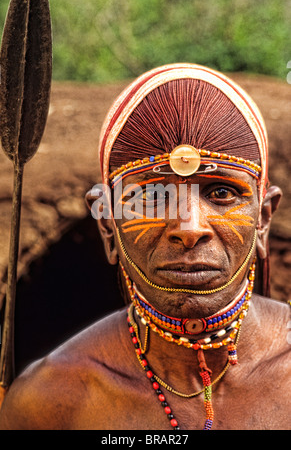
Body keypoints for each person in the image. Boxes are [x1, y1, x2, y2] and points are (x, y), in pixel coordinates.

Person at [0, 63, 290, 431]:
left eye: (221, 193)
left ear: (263, 218)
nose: (190, 228)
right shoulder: (49, 401)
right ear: (107, 224)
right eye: (152, 196)